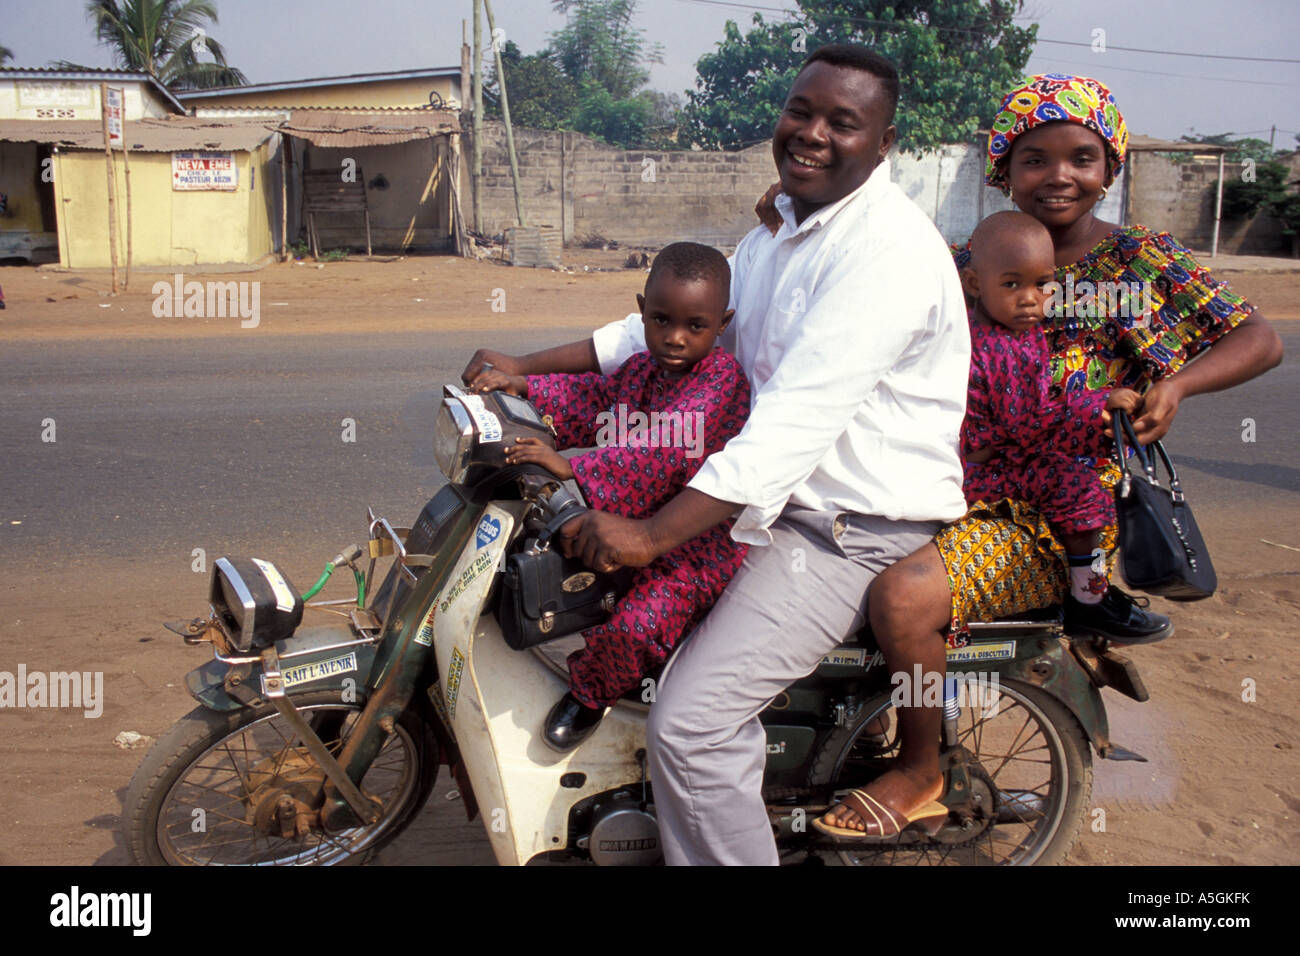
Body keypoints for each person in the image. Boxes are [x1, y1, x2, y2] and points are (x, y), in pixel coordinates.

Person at [463, 43, 971, 864]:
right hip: (755, 492)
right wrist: (524, 368)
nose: (811, 134)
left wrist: (655, 533)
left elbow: (794, 424)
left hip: (838, 525)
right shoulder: (782, 228)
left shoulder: (888, 255)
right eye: (801, 111)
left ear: (883, 145)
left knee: (692, 723)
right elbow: (672, 325)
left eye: (843, 123)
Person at [816, 73, 1284, 838]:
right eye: (1034, 159)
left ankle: (920, 767)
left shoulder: (1141, 266)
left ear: (1111, 167)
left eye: (1082, 157)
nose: (1059, 176)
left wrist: (1178, 385)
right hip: (944, 487)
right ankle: (856, 732)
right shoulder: (961, 256)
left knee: (904, 600)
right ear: (1005, 169)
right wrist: (790, 213)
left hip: (1055, 515)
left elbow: (1257, 338)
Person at [470, 241, 751, 752]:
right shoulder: (642, 369)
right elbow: (594, 400)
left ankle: (593, 693)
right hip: (640, 512)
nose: (675, 338)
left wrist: (569, 467)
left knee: (643, 618)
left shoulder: (721, 382)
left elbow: (660, 451)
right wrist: (525, 388)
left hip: (697, 538)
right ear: (642, 311)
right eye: (662, 320)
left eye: (695, 326)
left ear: (723, 324)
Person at [959, 210, 1149, 633]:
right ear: (975, 284)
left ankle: (1079, 586)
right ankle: (1090, 599)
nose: (1030, 298)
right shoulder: (993, 346)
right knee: (1083, 494)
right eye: (1012, 284)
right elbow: (1025, 424)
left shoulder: (1017, 331)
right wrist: (1097, 402)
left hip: (1001, 455)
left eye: (1042, 285)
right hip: (988, 469)